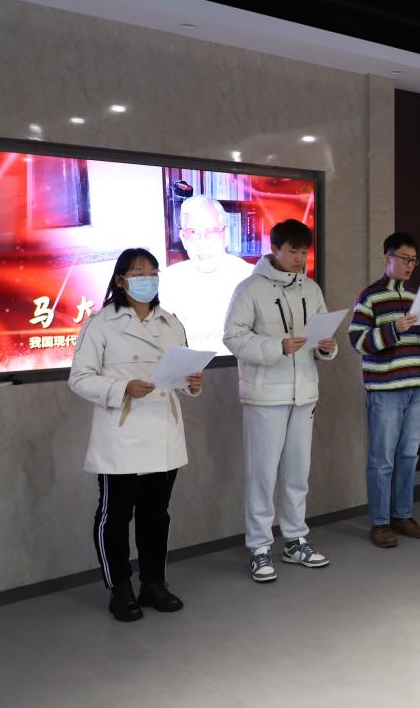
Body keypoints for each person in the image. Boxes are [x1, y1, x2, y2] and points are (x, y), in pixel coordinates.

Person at [69, 248, 203, 621]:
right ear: (120, 280)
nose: (148, 279)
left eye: (153, 272)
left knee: (156, 515)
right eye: (138, 273)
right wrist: (122, 388)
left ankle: (153, 583)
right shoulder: (100, 323)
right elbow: (79, 379)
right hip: (121, 435)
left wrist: (192, 383)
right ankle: (120, 588)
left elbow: (181, 374)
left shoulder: (171, 322)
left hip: (162, 432)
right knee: (115, 516)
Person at [224, 219, 338, 582]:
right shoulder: (250, 288)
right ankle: (259, 546)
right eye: (293, 251)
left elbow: (320, 336)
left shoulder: (311, 289)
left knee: (297, 472)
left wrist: (326, 347)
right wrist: (276, 347)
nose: (299, 258)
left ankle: (294, 540)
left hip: (304, 393)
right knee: (262, 474)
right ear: (274, 249)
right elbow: (233, 337)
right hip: (265, 396)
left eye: (304, 252)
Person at [349, 232, 420, 548]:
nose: (410, 265)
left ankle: (402, 515)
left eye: (413, 260)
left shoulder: (417, 296)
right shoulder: (370, 297)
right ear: (387, 258)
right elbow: (357, 341)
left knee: (408, 456)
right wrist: (393, 329)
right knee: (382, 459)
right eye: (404, 259)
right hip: (385, 388)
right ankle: (379, 523)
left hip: (415, 385)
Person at [159, 196, 254, 354]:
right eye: (193, 232)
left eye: (211, 231)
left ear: (226, 235)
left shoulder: (251, 278)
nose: (202, 243)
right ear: (183, 239)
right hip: (187, 368)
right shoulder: (167, 281)